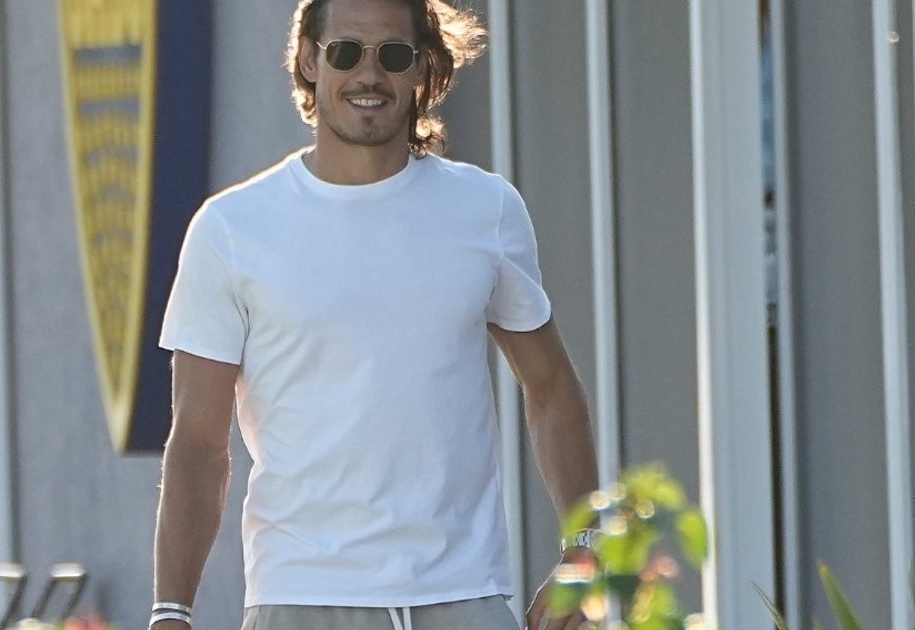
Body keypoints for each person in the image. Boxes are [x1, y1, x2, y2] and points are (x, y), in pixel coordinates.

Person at [151, 0, 598, 628]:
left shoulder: (485, 209)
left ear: (422, 68)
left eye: (393, 54)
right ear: (309, 60)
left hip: (464, 595)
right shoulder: (231, 229)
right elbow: (198, 446)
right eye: (345, 52)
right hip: (302, 599)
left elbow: (551, 388)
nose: (369, 74)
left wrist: (584, 553)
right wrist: (171, 610)